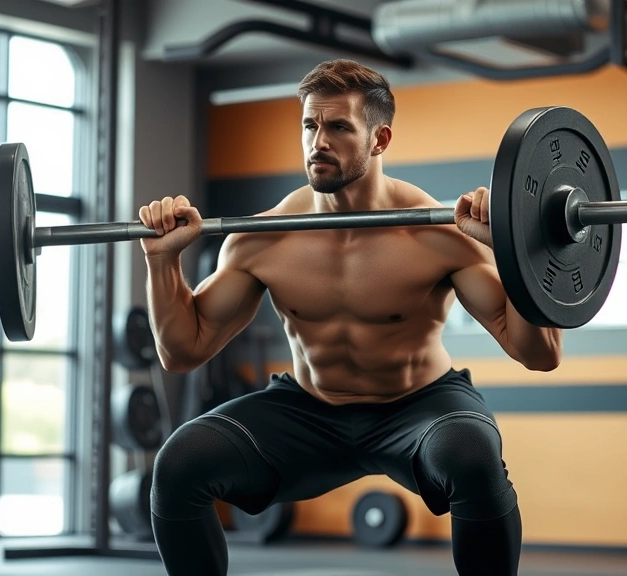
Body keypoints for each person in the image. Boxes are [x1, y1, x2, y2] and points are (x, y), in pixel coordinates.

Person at [139, 59, 563, 576]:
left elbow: (540, 354)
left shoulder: (439, 234)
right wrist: (162, 261)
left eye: (338, 126)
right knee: (181, 463)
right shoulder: (262, 238)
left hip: (419, 407)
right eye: (310, 125)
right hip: (310, 410)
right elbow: (183, 352)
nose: (318, 141)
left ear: (379, 139)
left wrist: (517, 257)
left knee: (470, 454)